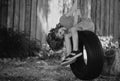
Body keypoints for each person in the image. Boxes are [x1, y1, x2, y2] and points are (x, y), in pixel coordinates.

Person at [47, 0, 95, 64]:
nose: (62, 33)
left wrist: (77, 3)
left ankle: (75, 51)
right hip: (81, 29)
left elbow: (73, 10)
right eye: (62, 35)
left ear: (56, 29)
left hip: (87, 24)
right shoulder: (67, 32)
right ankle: (69, 56)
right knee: (67, 36)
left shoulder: (62, 20)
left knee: (72, 29)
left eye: (60, 32)